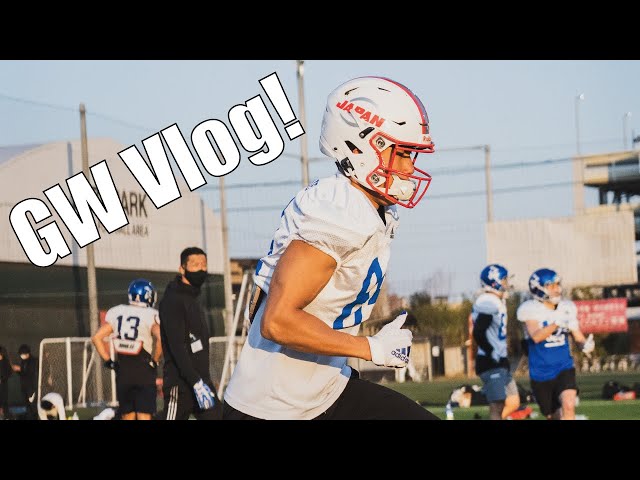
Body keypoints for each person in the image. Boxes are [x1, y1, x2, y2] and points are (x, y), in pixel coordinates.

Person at [222, 76, 439, 420]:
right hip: (273, 408)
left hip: (325, 391)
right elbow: (277, 321)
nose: (409, 167)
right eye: (401, 153)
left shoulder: (369, 209)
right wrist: (370, 348)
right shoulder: (341, 212)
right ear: (360, 147)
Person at [516, 268, 595, 420]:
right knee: (554, 416)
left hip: (564, 367)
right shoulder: (530, 309)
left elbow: (578, 336)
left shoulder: (566, 308)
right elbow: (536, 337)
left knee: (568, 404)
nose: (557, 289)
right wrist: (556, 323)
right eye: (551, 286)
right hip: (541, 373)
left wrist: (585, 345)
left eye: (557, 285)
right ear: (538, 288)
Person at [157, 247, 221, 420]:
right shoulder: (173, 299)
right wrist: (195, 381)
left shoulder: (193, 298)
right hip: (181, 385)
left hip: (203, 383)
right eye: (195, 264)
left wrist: (202, 381)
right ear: (182, 269)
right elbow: (177, 346)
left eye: (203, 264)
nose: (201, 268)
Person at [92, 279, 162, 420]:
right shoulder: (150, 314)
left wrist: (109, 361)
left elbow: (96, 338)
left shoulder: (118, 312)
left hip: (123, 370)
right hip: (143, 370)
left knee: (127, 415)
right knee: (144, 415)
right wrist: (155, 360)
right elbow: (162, 338)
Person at [471, 264, 521, 420]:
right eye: (504, 279)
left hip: (500, 360)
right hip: (490, 361)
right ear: (494, 281)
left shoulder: (497, 300)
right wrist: (490, 351)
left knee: (513, 402)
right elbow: (478, 331)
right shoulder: (488, 301)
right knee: (497, 405)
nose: (507, 282)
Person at [12, 344, 38, 420]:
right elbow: (23, 374)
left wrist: (20, 369)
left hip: (31, 387)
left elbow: (31, 373)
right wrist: (17, 370)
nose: (21, 356)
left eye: (22, 354)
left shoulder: (33, 361)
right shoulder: (23, 361)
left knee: (32, 405)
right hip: (24, 387)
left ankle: (33, 417)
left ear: (27, 353)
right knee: (26, 405)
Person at [0, 345, 12, 419]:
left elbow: (9, 372)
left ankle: (5, 415)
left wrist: (2, 379)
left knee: (4, 401)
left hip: (3, 385)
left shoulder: (5, 361)